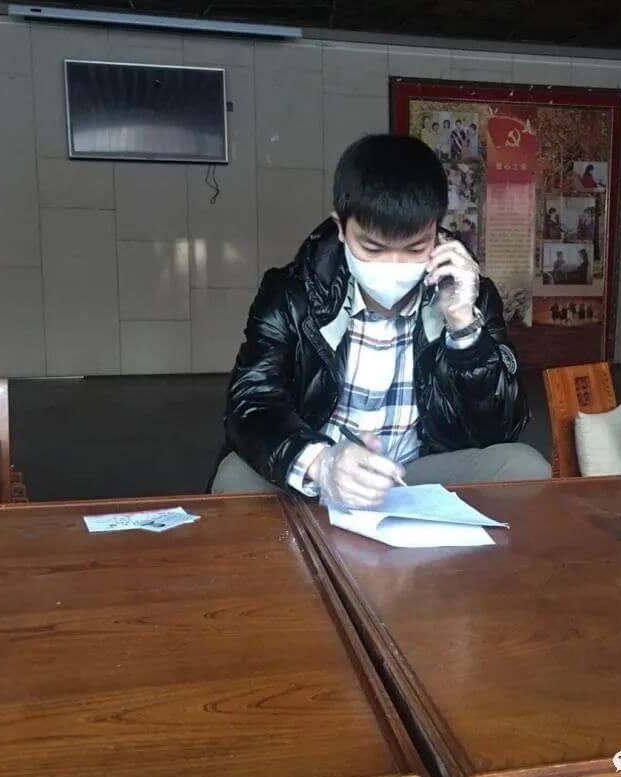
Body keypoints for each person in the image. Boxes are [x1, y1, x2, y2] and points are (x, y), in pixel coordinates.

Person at [211, 134, 550, 504]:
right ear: (341, 228)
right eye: (372, 248)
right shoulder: (292, 293)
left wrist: (464, 328)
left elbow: (501, 429)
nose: (393, 265)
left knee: (524, 467)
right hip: (321, 471)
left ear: (437, 231)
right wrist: (320, 463)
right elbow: (252, 402)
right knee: (234, 476)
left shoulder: (470, 294)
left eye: (415, 248)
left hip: (414, 474)